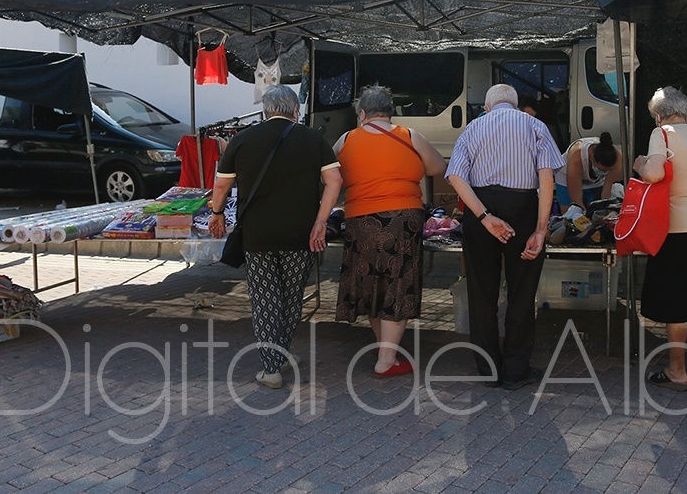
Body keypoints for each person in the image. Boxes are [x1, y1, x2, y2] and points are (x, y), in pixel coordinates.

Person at [208, 85, 342, 390]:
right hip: (301, 233)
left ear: (266, 110)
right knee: (291, 296)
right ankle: (277, 355)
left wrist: (217, 213)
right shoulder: (313, 138)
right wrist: (321, 221)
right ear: (296, 110)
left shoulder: (241, 141)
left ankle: (271, 367)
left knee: (265, 297)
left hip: (258, 233)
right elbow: (335, 180)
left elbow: (221, 187)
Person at [446, 83, 563, 389]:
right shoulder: (535, 125)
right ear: (514, 105)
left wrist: (485, 217)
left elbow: (456, 176)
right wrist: (541, 229)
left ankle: (487, 370)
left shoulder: (473, 128)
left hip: (479, 209)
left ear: (487, 107)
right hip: (524, 208)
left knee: (481, 292)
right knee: (522, 292)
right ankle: (515, 370)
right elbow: (546, 176)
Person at [333, 85, 446, 377]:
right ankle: (386, 358)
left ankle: (386, 353)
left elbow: (330, 175)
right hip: (403, 220)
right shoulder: (410, 136)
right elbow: (437, 167)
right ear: (390, 112)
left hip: (360, 221)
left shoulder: (345, 140)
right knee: (398, 283)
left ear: (361, 113)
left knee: (372, 284)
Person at [633, 86, 687, 391]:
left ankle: (677, 371)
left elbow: (654, 173)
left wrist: (640, 164)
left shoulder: (662, 133)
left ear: (658, 115)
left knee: (675, 302)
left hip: (676, 229)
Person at [554, 132, 623, 210]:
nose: (604, 173)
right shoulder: (577, 155)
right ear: (592, 158)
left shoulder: (617, 159)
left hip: (595, 181)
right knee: (571, 212)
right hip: (566, 177)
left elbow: (607, 196)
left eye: (607, 171)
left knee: (597, 210)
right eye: (601, 170)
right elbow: (576, 200)